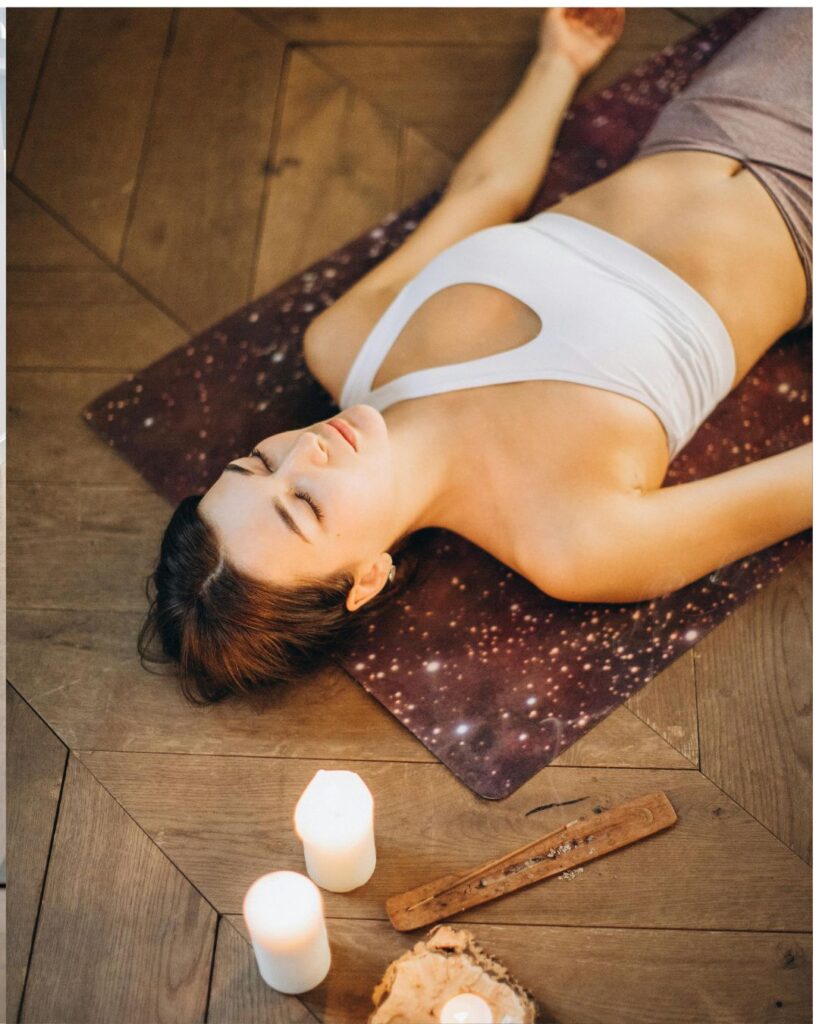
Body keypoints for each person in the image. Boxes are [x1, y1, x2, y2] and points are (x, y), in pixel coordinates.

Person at [139, 8, 812, 707]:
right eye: (304, 505)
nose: (304, 452)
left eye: (258, 462)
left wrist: (559, 61)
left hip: (717, 112)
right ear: (366, 579)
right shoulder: (573, 544)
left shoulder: (345, 340)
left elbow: (484, 193)